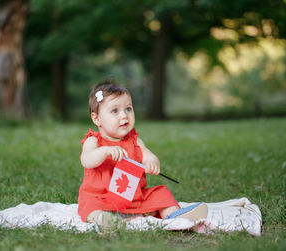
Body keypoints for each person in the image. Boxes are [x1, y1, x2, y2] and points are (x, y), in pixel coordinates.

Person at [78, 81, 207, 231]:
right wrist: (104, 151)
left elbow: (148, 156)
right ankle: (104, 220)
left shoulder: (135, 141)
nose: (124, 115)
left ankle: (175, 216)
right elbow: (86, 160)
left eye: (128, 109)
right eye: (115, 111)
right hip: (103, 198)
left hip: (133, 197)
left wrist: (152, 162)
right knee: (89, 205)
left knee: (161, 193)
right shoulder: (93, 141)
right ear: (97, 119)